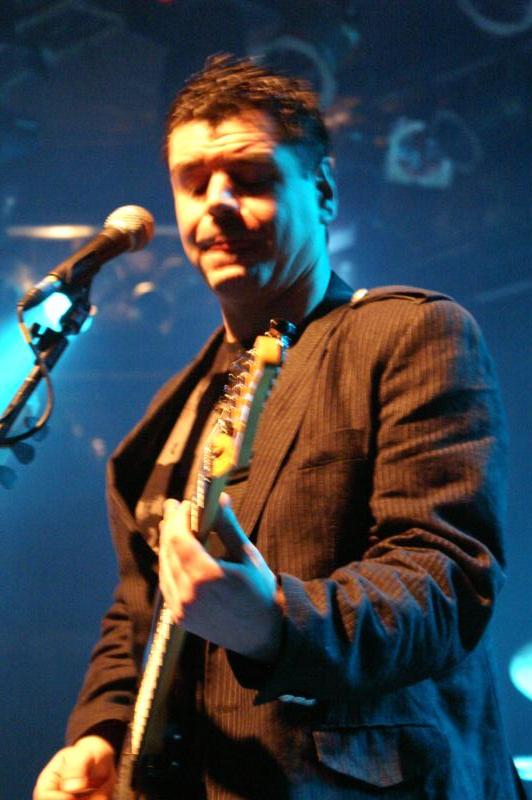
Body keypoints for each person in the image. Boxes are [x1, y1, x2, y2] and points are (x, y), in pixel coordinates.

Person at [33, 54, 523, 800]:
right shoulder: (169, 413)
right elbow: (137, 612)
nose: (216, 204)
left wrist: (277, 622)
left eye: (251, 177)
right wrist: (101, 733)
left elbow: (446, 578)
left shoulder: (410, 335)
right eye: (193, 183)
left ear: (322, 190)